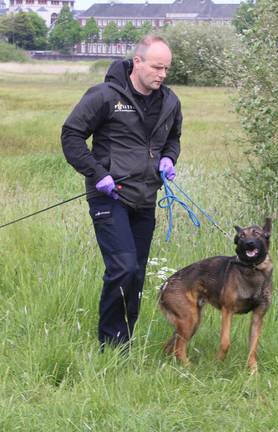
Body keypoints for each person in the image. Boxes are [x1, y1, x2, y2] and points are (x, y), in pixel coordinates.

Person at [61, 35, 182, 348]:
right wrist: (97, 173)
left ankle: (124, 343)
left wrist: (169, 157)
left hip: (145, 198)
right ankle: (110, 345)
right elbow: (71, 135)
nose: (162, 74)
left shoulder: (170, 101)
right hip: (109, 196)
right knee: (123, 267)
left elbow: (173, 139)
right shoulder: (105, 96)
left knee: (137, 274)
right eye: (157, 67)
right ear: (138, 62)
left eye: (167, 68)